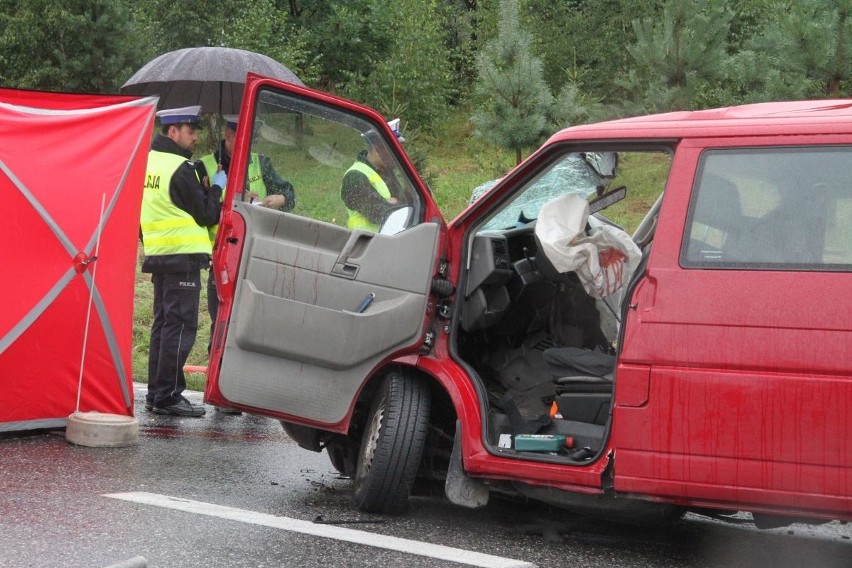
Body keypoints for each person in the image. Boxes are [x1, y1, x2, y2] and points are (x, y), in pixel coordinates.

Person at [200, 114, 296, 415]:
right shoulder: (205, 165)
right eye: (240, 138)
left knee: (253, 323)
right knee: (221, 322)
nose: (247, 145)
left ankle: (247, 390)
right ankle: (219, 390)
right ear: (228, 138)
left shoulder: (260, 162)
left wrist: (280, 198)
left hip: (253, 251)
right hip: (222, 252)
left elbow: (290, 192)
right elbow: (202, 208)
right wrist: (235, 195)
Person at [140, 105, 225, 417]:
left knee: (163, 326)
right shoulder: (181, 168)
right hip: (183, 259)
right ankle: (168, 396)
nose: (195, 137)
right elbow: (206, 214)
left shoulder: (147, 163)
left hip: (159, 255)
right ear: (172, 131)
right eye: (191, 131)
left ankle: (157, 393)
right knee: (180, 327)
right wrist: (217, 187)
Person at [341, 120, 405, 232]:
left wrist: (394, 201)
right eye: (394, 150)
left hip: (388, 240)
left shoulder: (385, 170)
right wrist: (394, 202)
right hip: (368, 244)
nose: (399, 154)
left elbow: (404, 200)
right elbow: (379, 213)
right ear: (377, 151)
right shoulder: (354, 176)